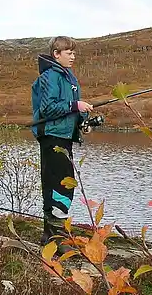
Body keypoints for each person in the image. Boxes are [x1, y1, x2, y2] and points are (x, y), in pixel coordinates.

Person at [31, 36, 95, 245]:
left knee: (65, 185)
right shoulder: (50, 77)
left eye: (74, 53)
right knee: (58, 185)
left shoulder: (70, 78)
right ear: (56, 54)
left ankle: (53, 236)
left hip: (65, 137)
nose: (73, 56)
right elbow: (48, 109)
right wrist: (75, 106)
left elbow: (72, 109)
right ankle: (53, 237)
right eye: (69, 53)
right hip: (52, 137)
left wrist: (84, 121)